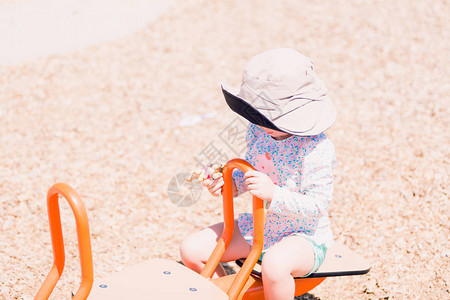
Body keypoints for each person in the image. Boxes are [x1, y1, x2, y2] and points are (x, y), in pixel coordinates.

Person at [180, 48, 337, 300]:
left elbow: (318, 205)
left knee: (274, 266)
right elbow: (252, 174)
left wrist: (274, 194)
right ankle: (227, 294)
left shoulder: (317, 148)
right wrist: (227, 184)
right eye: (255, 113)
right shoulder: (258, 131)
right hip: (261, 226)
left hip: (303, 236)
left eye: (267, 116)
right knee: (191, 249)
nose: (259, 122)